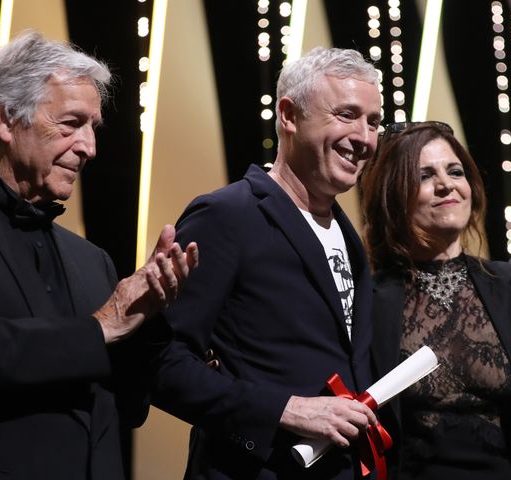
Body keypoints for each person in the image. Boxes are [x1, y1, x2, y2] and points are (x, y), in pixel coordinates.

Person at [0, 31, 198, 480]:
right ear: (4, 119)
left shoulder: (91, 259)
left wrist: (149, 315)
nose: (89, 147)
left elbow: (128, 406)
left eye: (93, 128)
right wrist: (102, 325)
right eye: (71, 124)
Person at [150, 47, 383, 479]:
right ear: (289, 115)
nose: (365, 138)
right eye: (347, 114)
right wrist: (283, 410)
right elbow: (160, 363)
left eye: (373, 122)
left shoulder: (350, 236)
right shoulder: (228, 215)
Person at [359, 121, 511, 479]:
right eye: (425, 175)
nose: (446, 184)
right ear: (393, 196)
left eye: (455, 171)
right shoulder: (369, 299)